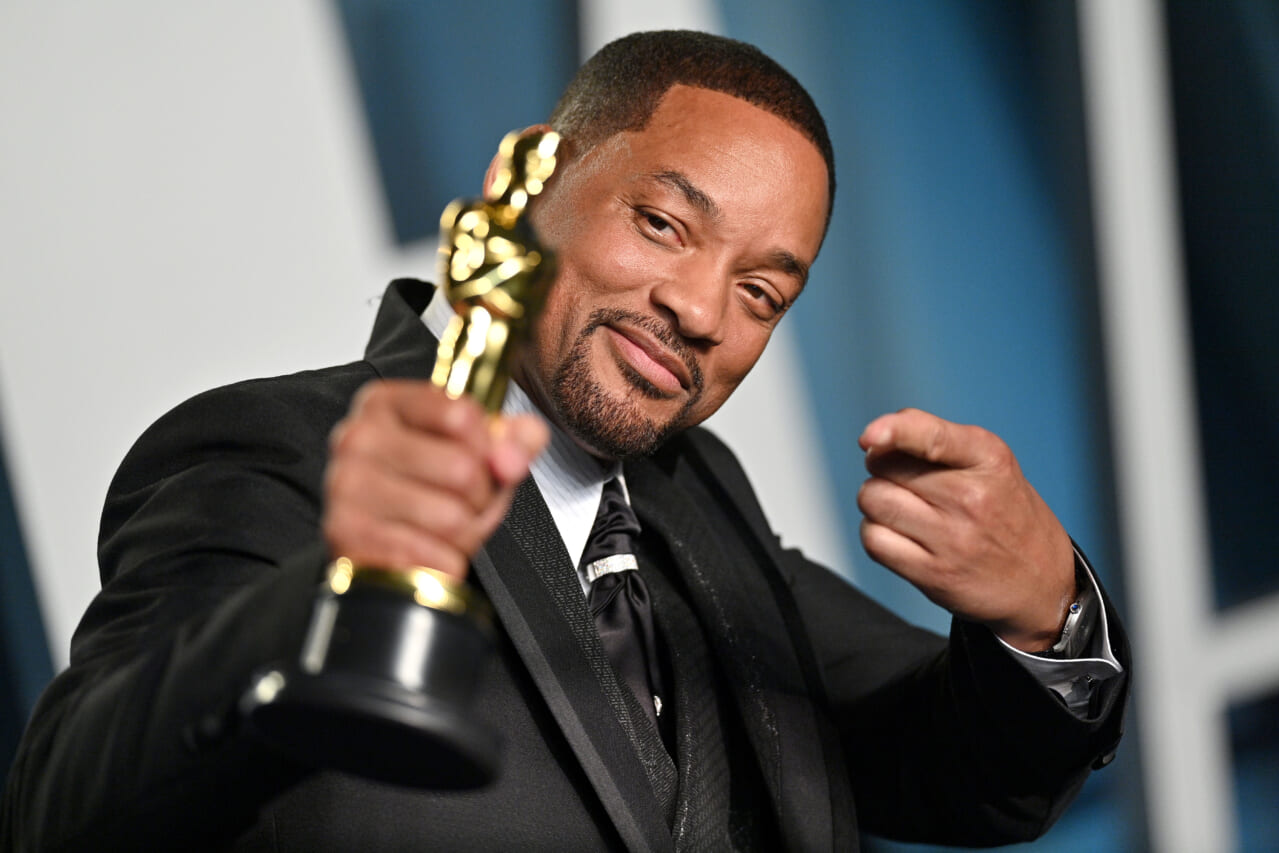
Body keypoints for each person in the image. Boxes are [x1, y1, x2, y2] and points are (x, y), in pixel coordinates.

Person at [1, 30, 1127, 852]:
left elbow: (958, 772)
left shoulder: (695, 502)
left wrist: (1042, 610)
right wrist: (329, 597)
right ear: (521, 178)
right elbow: (63, 809)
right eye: (662, 223)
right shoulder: (267, 450)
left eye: (760, 291)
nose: (698, 309)